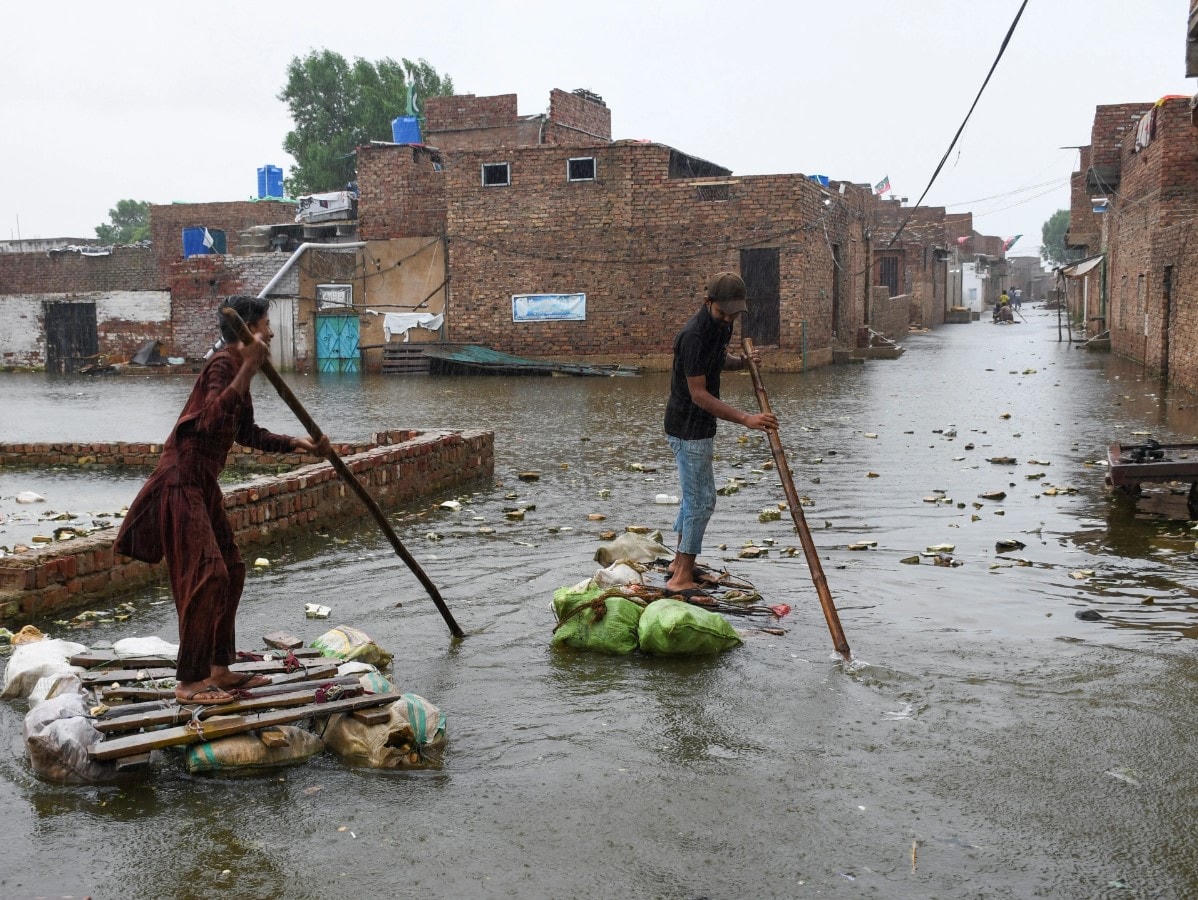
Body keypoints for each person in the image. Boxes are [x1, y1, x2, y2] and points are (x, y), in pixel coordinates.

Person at [115, 296, 331, 704]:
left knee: (231, 568)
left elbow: (244, 431)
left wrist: (297, 444)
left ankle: (219, 668)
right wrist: (248, 367)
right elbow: (211, 418)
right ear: (249, 330)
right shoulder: (223, 365)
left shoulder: (238, 371)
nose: (270, 333)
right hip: (181, 481)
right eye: (266, 325)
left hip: (204, 483)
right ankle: (190, 683)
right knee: (208, 574)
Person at [663, 272, 778, 593]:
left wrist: (741, 362)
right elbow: (699, 394)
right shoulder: (693, 336)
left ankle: (678, 562)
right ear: (707, 302)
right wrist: (746, 418)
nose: (728, 319)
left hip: (699, 426)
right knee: (702, 501)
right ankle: (681, 578)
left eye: (733, 314)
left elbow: (716, 360)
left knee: (692, 497)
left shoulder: (721, 326)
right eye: (722, 312)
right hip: (688, 428)